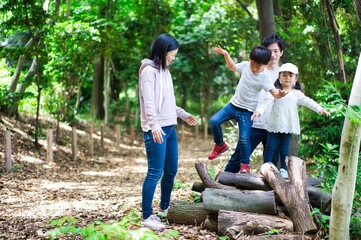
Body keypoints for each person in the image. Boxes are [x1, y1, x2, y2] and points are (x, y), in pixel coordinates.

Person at [138, 33, 198, 230]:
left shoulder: (165, 71)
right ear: (163, 52)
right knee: (155, 172)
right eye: (172, 54)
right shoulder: (148, 71)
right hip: (156, 129)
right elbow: (149, 102)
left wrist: (182, 114)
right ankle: (147, 215)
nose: (174, 57)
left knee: (171, 170)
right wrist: (154, 125)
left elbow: (168, 102)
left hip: (170, 127)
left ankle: (164, 208)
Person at [208, 45, 288, 173]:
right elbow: (232, 67)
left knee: (245, 139)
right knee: (214, 121)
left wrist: (280, 94)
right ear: (250, 59)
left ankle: (245, 164)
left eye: (258, 66)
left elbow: (273, 92)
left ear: (265, 65)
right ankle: (220, 145)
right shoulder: (245, 65)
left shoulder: (265, 77)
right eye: (253, 64)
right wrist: (226, 54)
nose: (254, 68)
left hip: (247, 112)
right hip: (233, 106)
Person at [251, 63, 330, 178]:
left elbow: (309, 102)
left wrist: (320, 109)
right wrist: (259, 111)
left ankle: (283, 169)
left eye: (290, 75)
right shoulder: (276, 92)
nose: (287, 77)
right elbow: (266, 102)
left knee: (284, 149)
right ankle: (266, 167)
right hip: (274, 125)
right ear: (279, 77)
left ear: (295, 79)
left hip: (287, 126)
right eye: (284, 75)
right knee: (270, 147)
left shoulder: (296, 94)